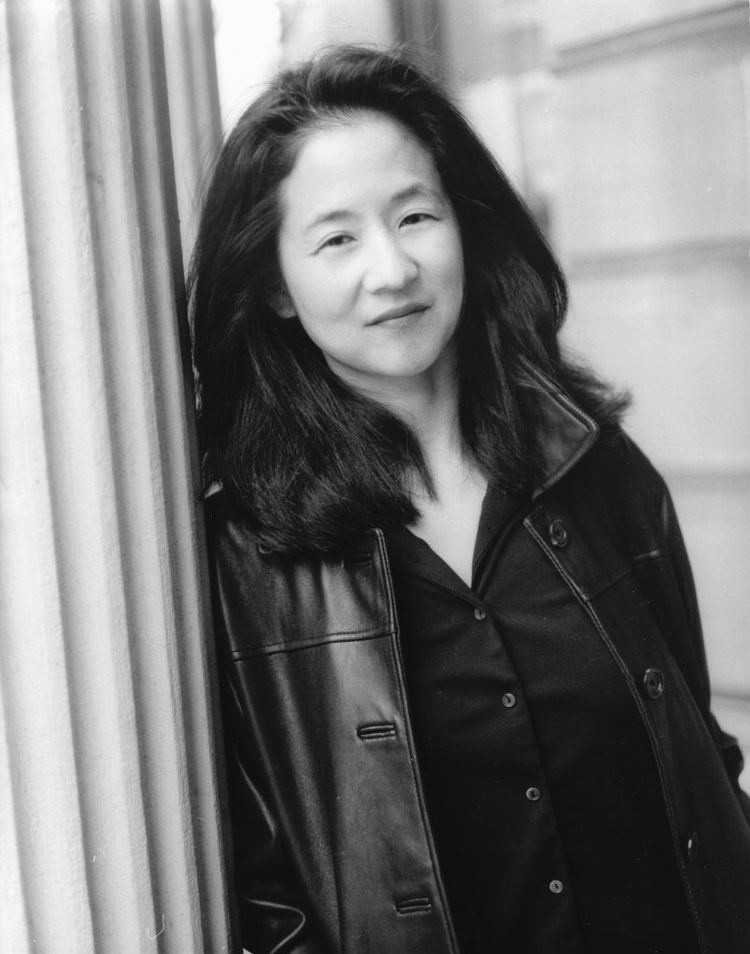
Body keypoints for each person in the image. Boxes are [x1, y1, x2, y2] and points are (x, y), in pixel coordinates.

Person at [190, 45, 750, 954]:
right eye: (337, 239)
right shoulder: (245, 556)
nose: (392, 269)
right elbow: (270, 900)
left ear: (465, 226)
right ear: (275, 288)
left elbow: (701, 760)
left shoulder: (594, 467)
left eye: (416, 215)